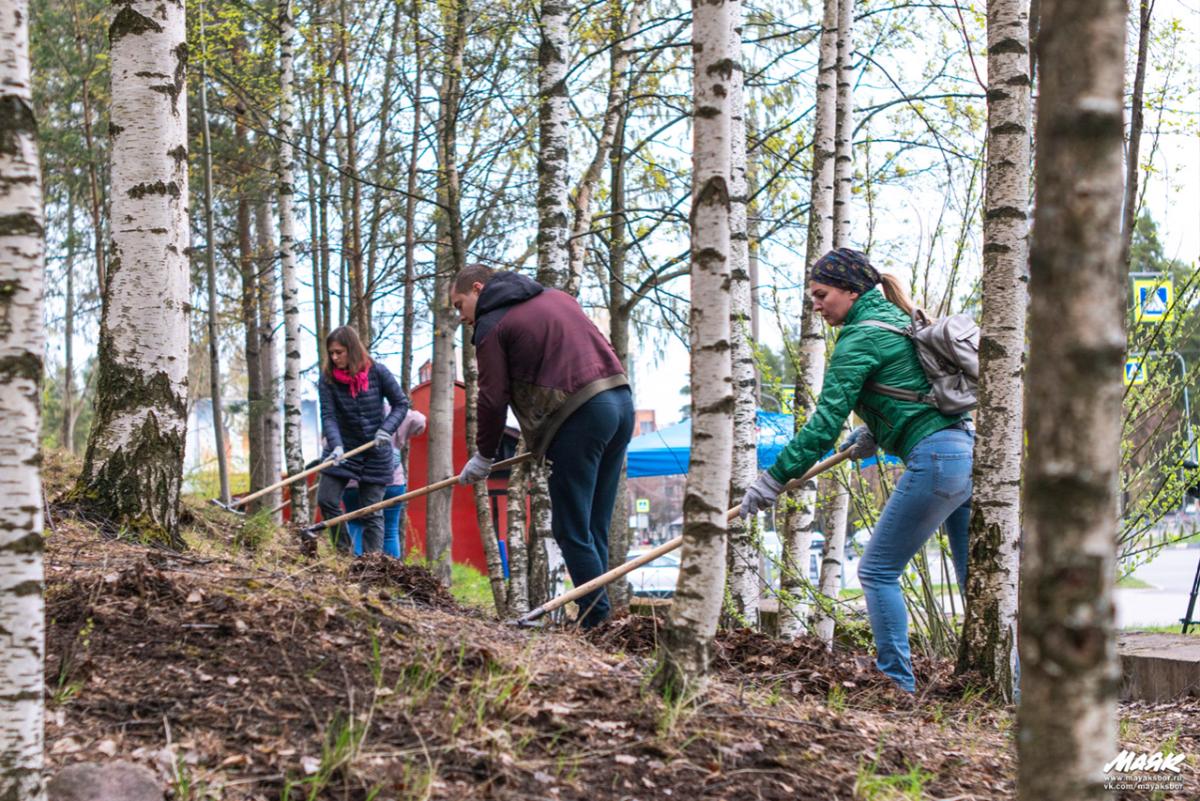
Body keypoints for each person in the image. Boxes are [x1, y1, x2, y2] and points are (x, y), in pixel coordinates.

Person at [739, 248, 974, 694]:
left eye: (821, 294)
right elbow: (910, 391)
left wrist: (774, 478)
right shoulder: (899, 320)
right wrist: (876, 432)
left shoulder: (859, 337)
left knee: (877, 570)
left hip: (938, 460)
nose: (816, 303)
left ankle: (895, 684)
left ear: (851, 290)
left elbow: (824, 423)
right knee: (976, 581)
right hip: (966, 453)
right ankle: (1013, 686)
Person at [450, 265, 633, 629]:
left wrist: (484, 455)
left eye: (460, 305)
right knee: (592, 527)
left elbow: (492, 398)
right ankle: (604, 619)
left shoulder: (491, 324)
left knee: (570, 529)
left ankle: (598, 623)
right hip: (620, 402)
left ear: (477, 288)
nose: (462, 317)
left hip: (579, 417)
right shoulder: (557, 298)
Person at [316, 325, 411, 555]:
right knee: (326, 499)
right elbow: (328, 416)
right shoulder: (327, 380)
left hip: (375, 451)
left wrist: (385, 430)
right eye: (331, 353)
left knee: (372, 511)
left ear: (352, 349)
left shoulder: (377, 372)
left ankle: (371, 565)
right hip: (343, 449)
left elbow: (401, 403)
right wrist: (336, 444)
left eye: (339, 352)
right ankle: (345, 554)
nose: (334, 357)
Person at [344, 408, 427, 558]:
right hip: (392, 479)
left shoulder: (348, 410)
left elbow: (328, 443)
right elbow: (419, 421)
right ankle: (391, 574)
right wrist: (399, 438)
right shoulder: (392, 411)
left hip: (354, 480)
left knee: (356, 524)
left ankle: (354, 569)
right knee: (389, 530)